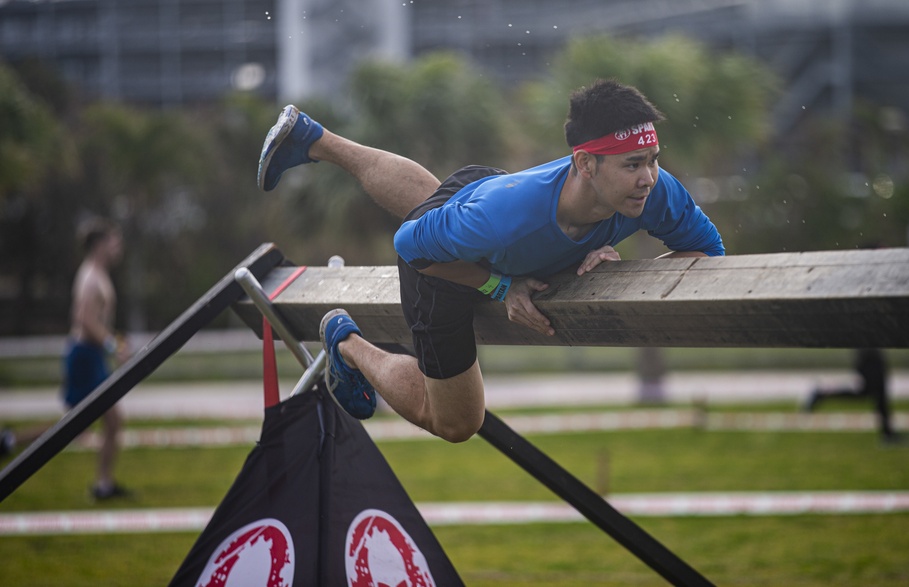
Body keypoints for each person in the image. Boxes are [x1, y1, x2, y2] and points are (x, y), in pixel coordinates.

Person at [257, 79, 725, 442]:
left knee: (448, 213)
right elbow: (410, 246)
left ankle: (312, 138)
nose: (648, 178)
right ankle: (348, 346)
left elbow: (708, 253)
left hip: (485, 205)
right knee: (458, 421)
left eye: (653, 160)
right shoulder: (505, 217)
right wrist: (501, 287)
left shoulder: (658, 193)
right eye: (632, 165)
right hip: (445, 266)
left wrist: (623, 270)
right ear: (584, 165)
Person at [64, 217, 131, 499]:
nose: (117, 247)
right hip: (85, 355)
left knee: (106, 421)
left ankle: (104, 484)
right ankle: (10, 441)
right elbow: (84, 320)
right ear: (99, 245)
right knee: (70, 427)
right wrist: (112, 345)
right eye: (112, 241)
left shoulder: (97, 273)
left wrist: (112, 343)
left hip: (90, 355)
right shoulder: (91, 277)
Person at [804, 347, 905, 443]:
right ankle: (822, 392)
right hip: (869, 356)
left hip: (870, 355)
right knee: (870, 393)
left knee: (877, 396)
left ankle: (888, 433)